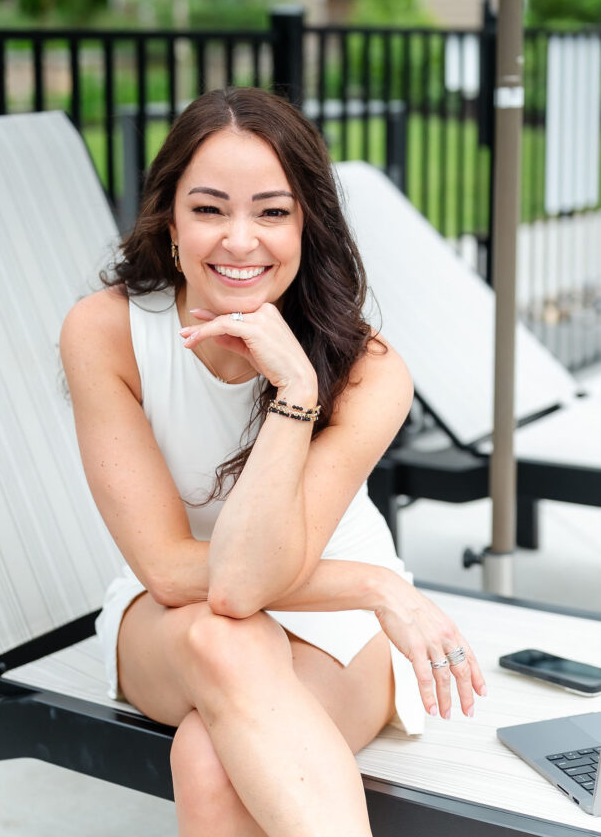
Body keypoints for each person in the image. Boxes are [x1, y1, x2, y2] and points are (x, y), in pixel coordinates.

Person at [60, 86, 486, 837]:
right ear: (168, 219)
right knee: (225, 634)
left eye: (271, 210)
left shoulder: (368, 369)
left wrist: (293, 386)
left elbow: (249, 577)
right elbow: (181, 573)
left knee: (207, 758)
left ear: (307, 224)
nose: (239, 239)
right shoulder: (107, 332)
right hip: (175, 616)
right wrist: (375, 585)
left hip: (335, 632)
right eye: (209, 208)